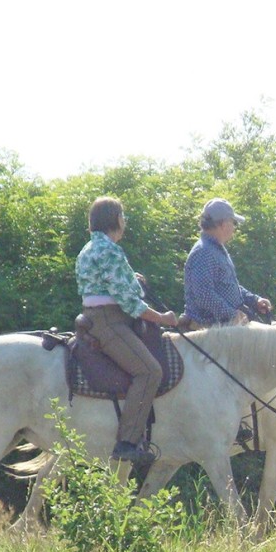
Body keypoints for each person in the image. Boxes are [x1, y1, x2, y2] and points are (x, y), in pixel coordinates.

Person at [75, 196, 179, 463]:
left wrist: (133, 278)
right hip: (110, 322)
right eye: (123, 217)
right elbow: (130, 303)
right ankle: (127, 443)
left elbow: (110, 284)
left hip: (94, 316)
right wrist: (163, 318)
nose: (125, 222)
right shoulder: (110, 251)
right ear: (116, 220)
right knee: (149, 371)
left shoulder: (88, 249)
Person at [183, 198, 272, 326]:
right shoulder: (203, 252)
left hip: (225, 325)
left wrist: (255, 300)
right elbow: (203, 294)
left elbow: (228, 286)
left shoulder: (214, 249)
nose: (235, 228)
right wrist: (232, 314)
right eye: (233, 223)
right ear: (223, 224)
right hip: (210, 328)